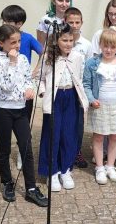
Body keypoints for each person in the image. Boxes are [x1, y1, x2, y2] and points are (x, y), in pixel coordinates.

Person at [0, 24, 49, 207]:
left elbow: (26, 78)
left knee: (26, 147)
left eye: (19, 42)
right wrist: (12, 62)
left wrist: (29, 88)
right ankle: (7, 183)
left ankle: (31, 188)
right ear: (1, 43)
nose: (17, 46)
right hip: (2, 110)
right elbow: (6, 85)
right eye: (13, 42)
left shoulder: (22, 58)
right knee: (4, 148)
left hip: (20, 109)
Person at [0, 5, 42, 170]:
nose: (5, 23)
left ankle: (22, 154)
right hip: (5, 95)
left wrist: (34, 72)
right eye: (4, 20)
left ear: (19, 23)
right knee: (4, 137)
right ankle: (6, 168)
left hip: (23, 92)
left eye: (9, 21)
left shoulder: (27, 38)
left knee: (24, 130)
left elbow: (42, 52)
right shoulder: (0, 37)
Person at [38, 24, 89, 191]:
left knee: (69, 134)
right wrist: (43, 92)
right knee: (53, 135)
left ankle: (65, 169)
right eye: (64, 40)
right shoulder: (48, 56)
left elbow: (79, 77)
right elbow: (40, 78)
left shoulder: (78, 56)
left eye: (71, 40)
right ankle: (52, 172)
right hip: (55, 98)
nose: (68, 44)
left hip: (71, 97)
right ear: (56, 40)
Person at [83, 29, 116, 184]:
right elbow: (86, 84)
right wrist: (91, 99)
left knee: (115, 136)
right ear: (100, 45)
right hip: (99, 106)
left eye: (112, 47)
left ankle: (110, 165)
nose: (109, 50)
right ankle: (99, 167)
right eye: (105, 46)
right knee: (99, 136)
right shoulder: (92, 63)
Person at [65, 7, 92, 168]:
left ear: (82, 23)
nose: (74, 25)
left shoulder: (87, 45)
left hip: (79, 89)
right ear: (65, 22)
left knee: (78, 122)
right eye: (71, 22)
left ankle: (77, 151)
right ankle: (64, 150)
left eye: (77, 22)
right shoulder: (60, 41)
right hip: (64, 87)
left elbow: (89, 68)